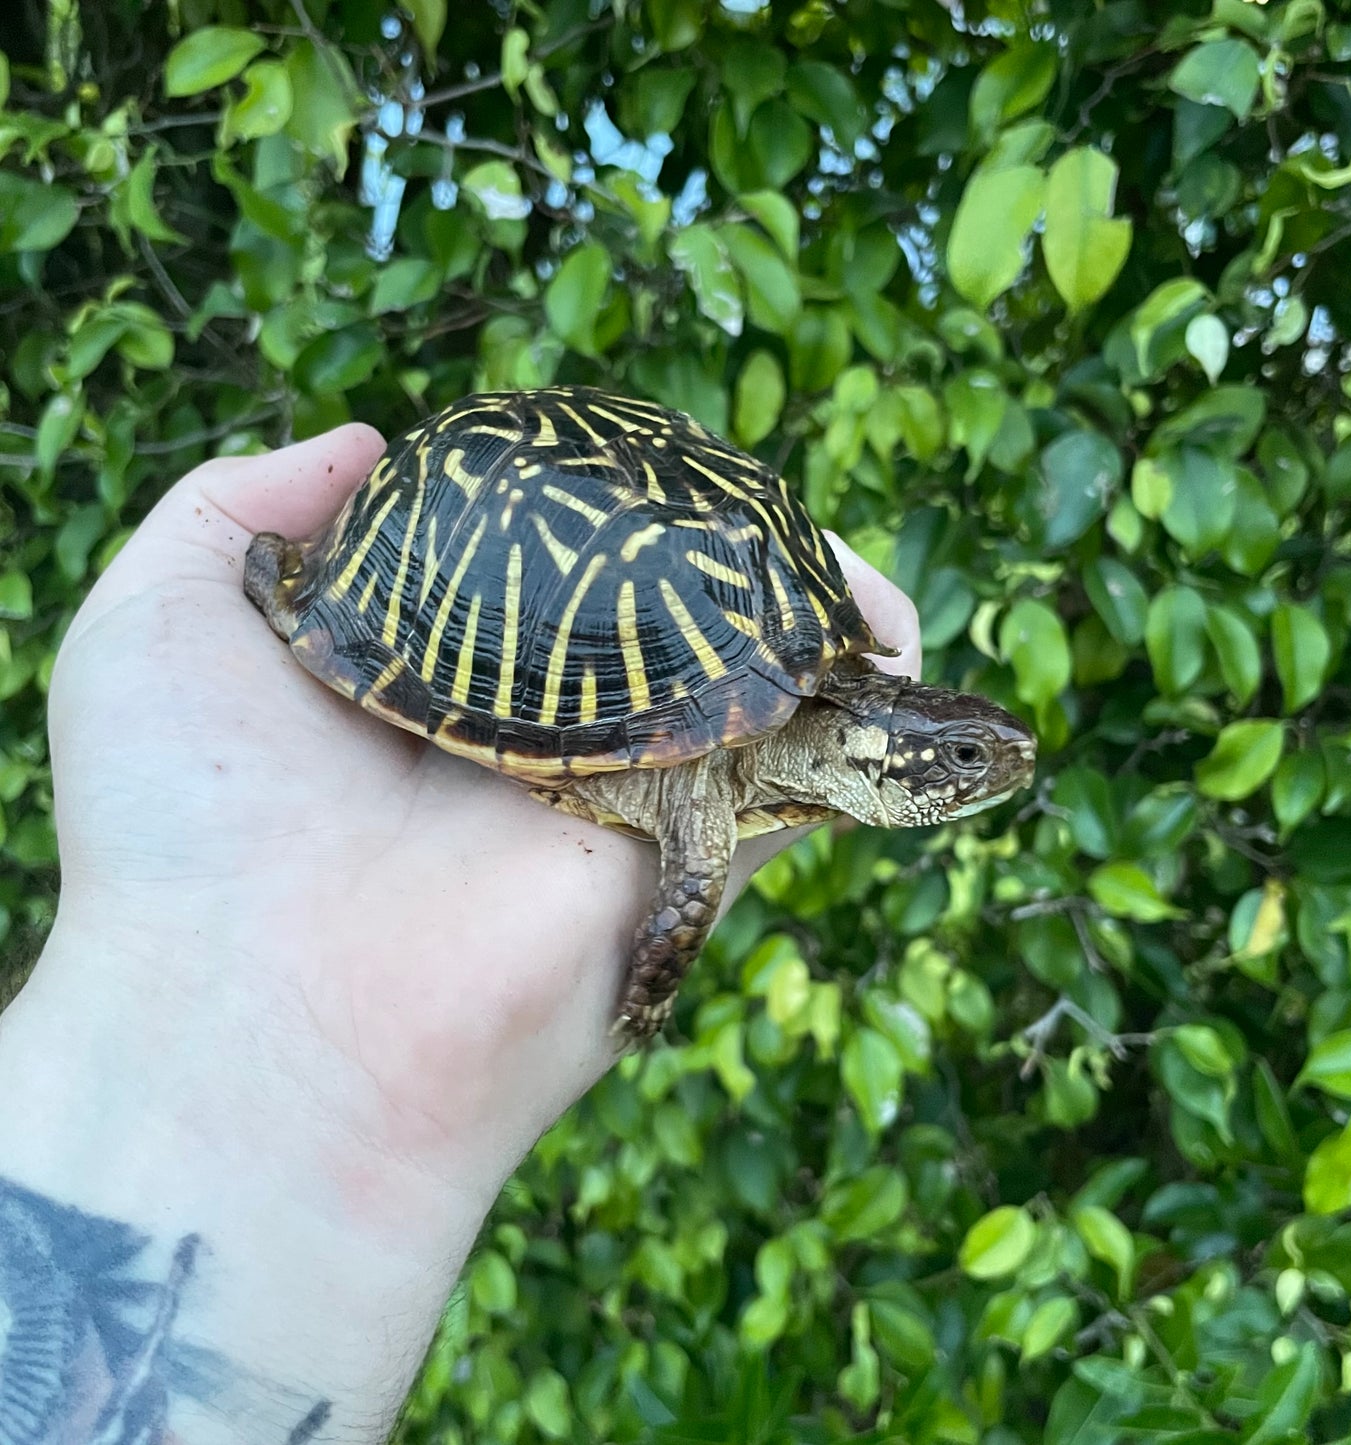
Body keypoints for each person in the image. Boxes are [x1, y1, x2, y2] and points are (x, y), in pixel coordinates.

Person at [0, 425, 922, 1444]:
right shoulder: (705, 793)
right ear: (885, 754)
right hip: (445, 542)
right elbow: (682, 896)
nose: (974, 774)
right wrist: (650, 986)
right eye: (957, 757)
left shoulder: (780, 687)